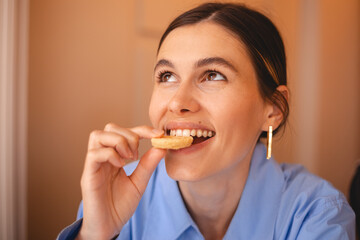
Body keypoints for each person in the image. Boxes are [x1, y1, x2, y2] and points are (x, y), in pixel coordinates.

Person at [58, 3, 355, 240]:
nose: (176, 102)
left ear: (274, 109)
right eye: (167, 76)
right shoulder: (115, 192)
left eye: (212, 75)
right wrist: (96, 235)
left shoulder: (316, 214)